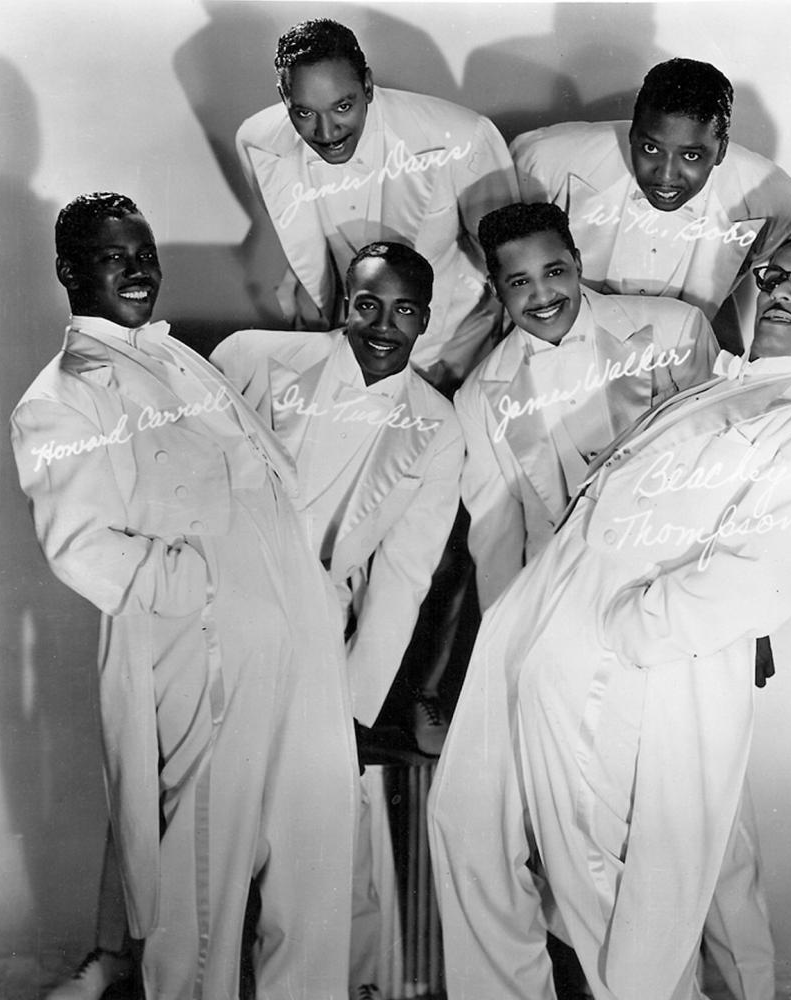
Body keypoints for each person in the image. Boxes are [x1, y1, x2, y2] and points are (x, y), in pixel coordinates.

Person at [429, 226, 791, 1000]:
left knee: (619, 889)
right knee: (470, 825)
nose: (779, 293)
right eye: (773, 276)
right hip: (542, 620)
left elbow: (762, 575)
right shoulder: (727, 386)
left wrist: (628, 632)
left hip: (632, 655)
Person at [13, 193, 358, 1000]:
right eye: (113, 256)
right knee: (202, 869)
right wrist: (199, 593)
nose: (137, 269)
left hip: (295, 636)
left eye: (144, 252)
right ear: (69, 272)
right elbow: (80, 545)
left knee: (313, 845)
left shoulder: (180, 360)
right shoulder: (65, 395)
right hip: (200, 648)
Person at [212, 242, 463, 999]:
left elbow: (403, 578)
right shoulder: (253, 358)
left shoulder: (437, 425)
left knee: (312, 864)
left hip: (321, 639)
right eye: (366, 304)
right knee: (206, 853)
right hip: (218, 617)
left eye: (404, 310)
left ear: (426, 317)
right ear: (340, 303)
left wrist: (351, 711)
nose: (383, 326)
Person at [456, 201, 718, 611]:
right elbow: (496, 539)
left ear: (577, 262)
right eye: (519, 282)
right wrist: (505, 640)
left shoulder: (676, 330)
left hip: (671, 589)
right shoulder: (477, 397)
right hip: (562, 599)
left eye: (554, 272)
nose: (542, 295)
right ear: (494, 288)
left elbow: (722, 481)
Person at [236, 17, 520, 391]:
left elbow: (509, 264)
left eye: (342, 106)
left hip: (450, 352)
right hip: (334, 344)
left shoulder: (464, 136)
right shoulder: (257, 142)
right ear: (283, 98)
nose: (326, 132)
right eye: (304, 113)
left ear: (368, 85)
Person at [512, 58, 791, 358]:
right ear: (632, 134)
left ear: (721, 151)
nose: (666, 176)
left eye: (691, 156)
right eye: (651, 148)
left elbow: (753, 256)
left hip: (684, 356)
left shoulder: (772, 197)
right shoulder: (547, 160)